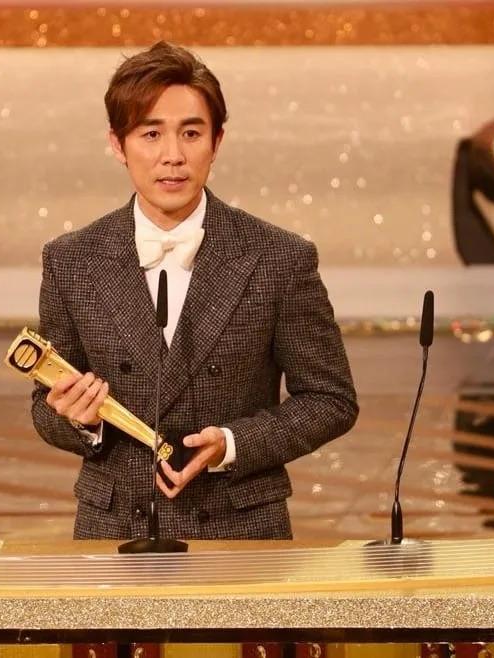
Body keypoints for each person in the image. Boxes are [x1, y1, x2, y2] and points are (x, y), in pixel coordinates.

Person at [31, 41, 358, 540]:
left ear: (217, 141)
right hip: (114, 531)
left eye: (191, 133)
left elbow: (331, 399)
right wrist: (82, 422)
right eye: (151, 134)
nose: (173, 156)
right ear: (118, 145)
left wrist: (233, 443)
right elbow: (44, 405)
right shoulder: (71, 260)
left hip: (240, 531)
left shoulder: (278, 257)